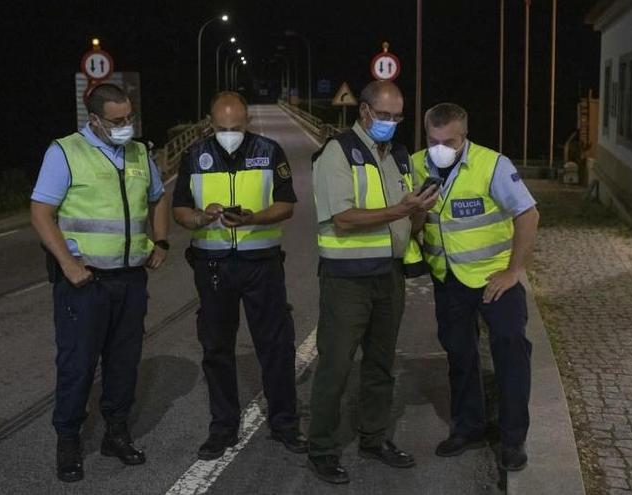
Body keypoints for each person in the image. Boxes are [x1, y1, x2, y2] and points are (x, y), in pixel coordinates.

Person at [30, 83, 169, 482]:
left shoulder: (139, 152)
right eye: (117, 120)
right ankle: (69, 440)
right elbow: (41, 213)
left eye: (130, 118)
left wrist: (160, 241)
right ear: (93, 120)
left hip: (130, 279)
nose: (126, 125)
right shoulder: (65, 152)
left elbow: (158, 198)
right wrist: (69, 266)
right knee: (77, 365)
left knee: (124, 364)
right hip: (85, 283)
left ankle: (116, 434)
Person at [308, 80, 439, 484]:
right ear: (363, 112)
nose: (392, 123)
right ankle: (322, 448)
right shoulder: (337, 153)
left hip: (389, 276)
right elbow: (342, 219)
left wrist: (417, 210)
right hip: (347, 280)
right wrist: (400, 208)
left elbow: (407, 220)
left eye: (398, 116)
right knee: (335, 365)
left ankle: (373, 437)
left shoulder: (398, 156)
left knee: (381, 364)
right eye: (384, 116)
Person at [171, 91, 306, 460]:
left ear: (247, 121)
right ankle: (223, 428)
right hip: (212, 265)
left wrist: (253, 218)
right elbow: (180, 209)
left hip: (261, 263)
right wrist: (200, 217)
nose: (229, 133)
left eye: (236, 126)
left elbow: (286, 205)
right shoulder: (194, 155)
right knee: (216, 349)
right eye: (222, 127)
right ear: (210, 124)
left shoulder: (269, 150)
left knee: (276, 347)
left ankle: (285, 424)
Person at [411, 103, 539, 471]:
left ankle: (513, 440)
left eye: (449, 141)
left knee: (510, 349)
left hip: (493, 279)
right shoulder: (418, 166)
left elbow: (528, 214)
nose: (440, 148)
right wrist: (419, 209)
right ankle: (467, 428)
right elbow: (415, 227)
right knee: (459, 355)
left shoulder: (492, 164)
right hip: (448, 280)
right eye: (433, 140)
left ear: (464, 136)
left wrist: (514, 271)